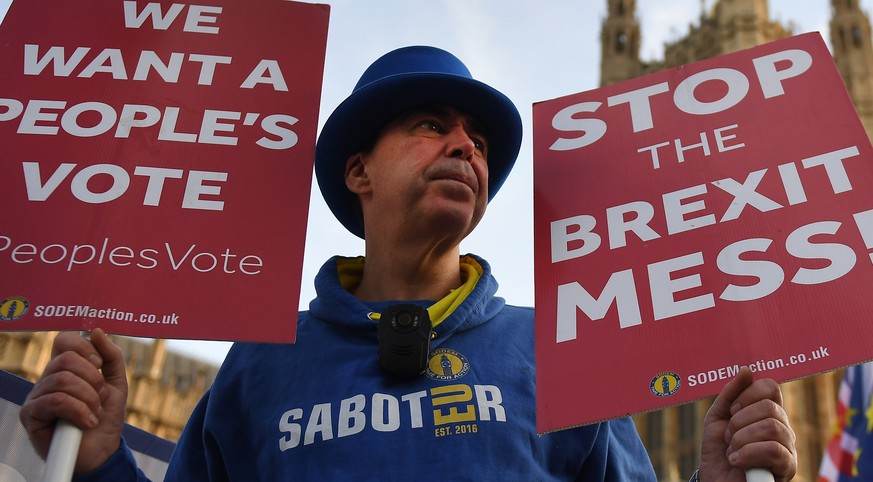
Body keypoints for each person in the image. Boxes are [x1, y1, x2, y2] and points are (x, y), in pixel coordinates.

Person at [20, 46, 797, 481]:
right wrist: (96, 467)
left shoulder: (560, 358)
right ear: (359, 173)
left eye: (479, 141)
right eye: (431, 125)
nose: (465, 146)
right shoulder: (259, 364)